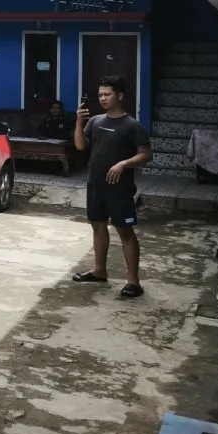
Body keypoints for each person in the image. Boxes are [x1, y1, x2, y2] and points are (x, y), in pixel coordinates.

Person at [71, 75, 152, 298]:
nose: (103, 98)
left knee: (125, 231)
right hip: (96, 185)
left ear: (120, 96)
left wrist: (123, 164)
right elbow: (80, 146)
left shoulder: (132, 126)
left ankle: (133, 282)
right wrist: (78, 122)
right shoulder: (95, 121)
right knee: (98, 227)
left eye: (107, 94)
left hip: (120, 188)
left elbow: (146, 154)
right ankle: (99, 270)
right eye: (100, 95)